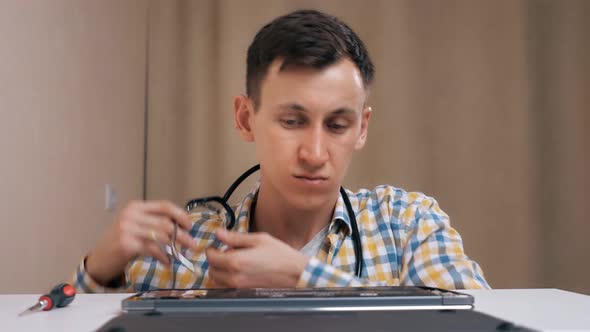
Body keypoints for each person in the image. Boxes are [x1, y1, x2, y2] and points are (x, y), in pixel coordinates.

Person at [71, 9, 489, 292]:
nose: (314, 152)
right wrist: (98, 271)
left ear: (361, 129)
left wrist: (303, 276)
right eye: (292, 121)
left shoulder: (409, 222)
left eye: (338, 125)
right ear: (245, 118)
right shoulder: (178, 246)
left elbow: (475, 324)